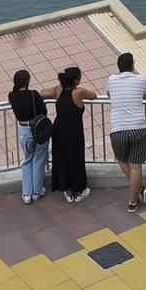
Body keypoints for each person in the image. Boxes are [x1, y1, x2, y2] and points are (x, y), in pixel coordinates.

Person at [106, 53, 146, 212]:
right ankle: (133, 201)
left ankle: (139, 190)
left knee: (121, 159)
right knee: (136, 166)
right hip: (138, 128)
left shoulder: (112, 80)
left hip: (118, 129)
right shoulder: (141, 79)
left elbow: (109, 95)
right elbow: (145, 95)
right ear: (133, 65)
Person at [43, 66, 93, 203]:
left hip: (58, 130)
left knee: (62, 158)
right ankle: (79, 189)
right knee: (76, 158)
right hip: (74, 131)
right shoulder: (79, 92)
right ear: (76, 80)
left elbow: (43, 93)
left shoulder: (58, 90)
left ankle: (66, 189)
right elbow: (93, 95)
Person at [7, 70, 49, 206]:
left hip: (24, 132)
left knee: (27, 160)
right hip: (38, 130)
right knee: (39, 159)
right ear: (28, 81)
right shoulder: (33, 94)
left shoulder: (11, 96)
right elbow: (43, 111)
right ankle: (37, 191)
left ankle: (26, 193)